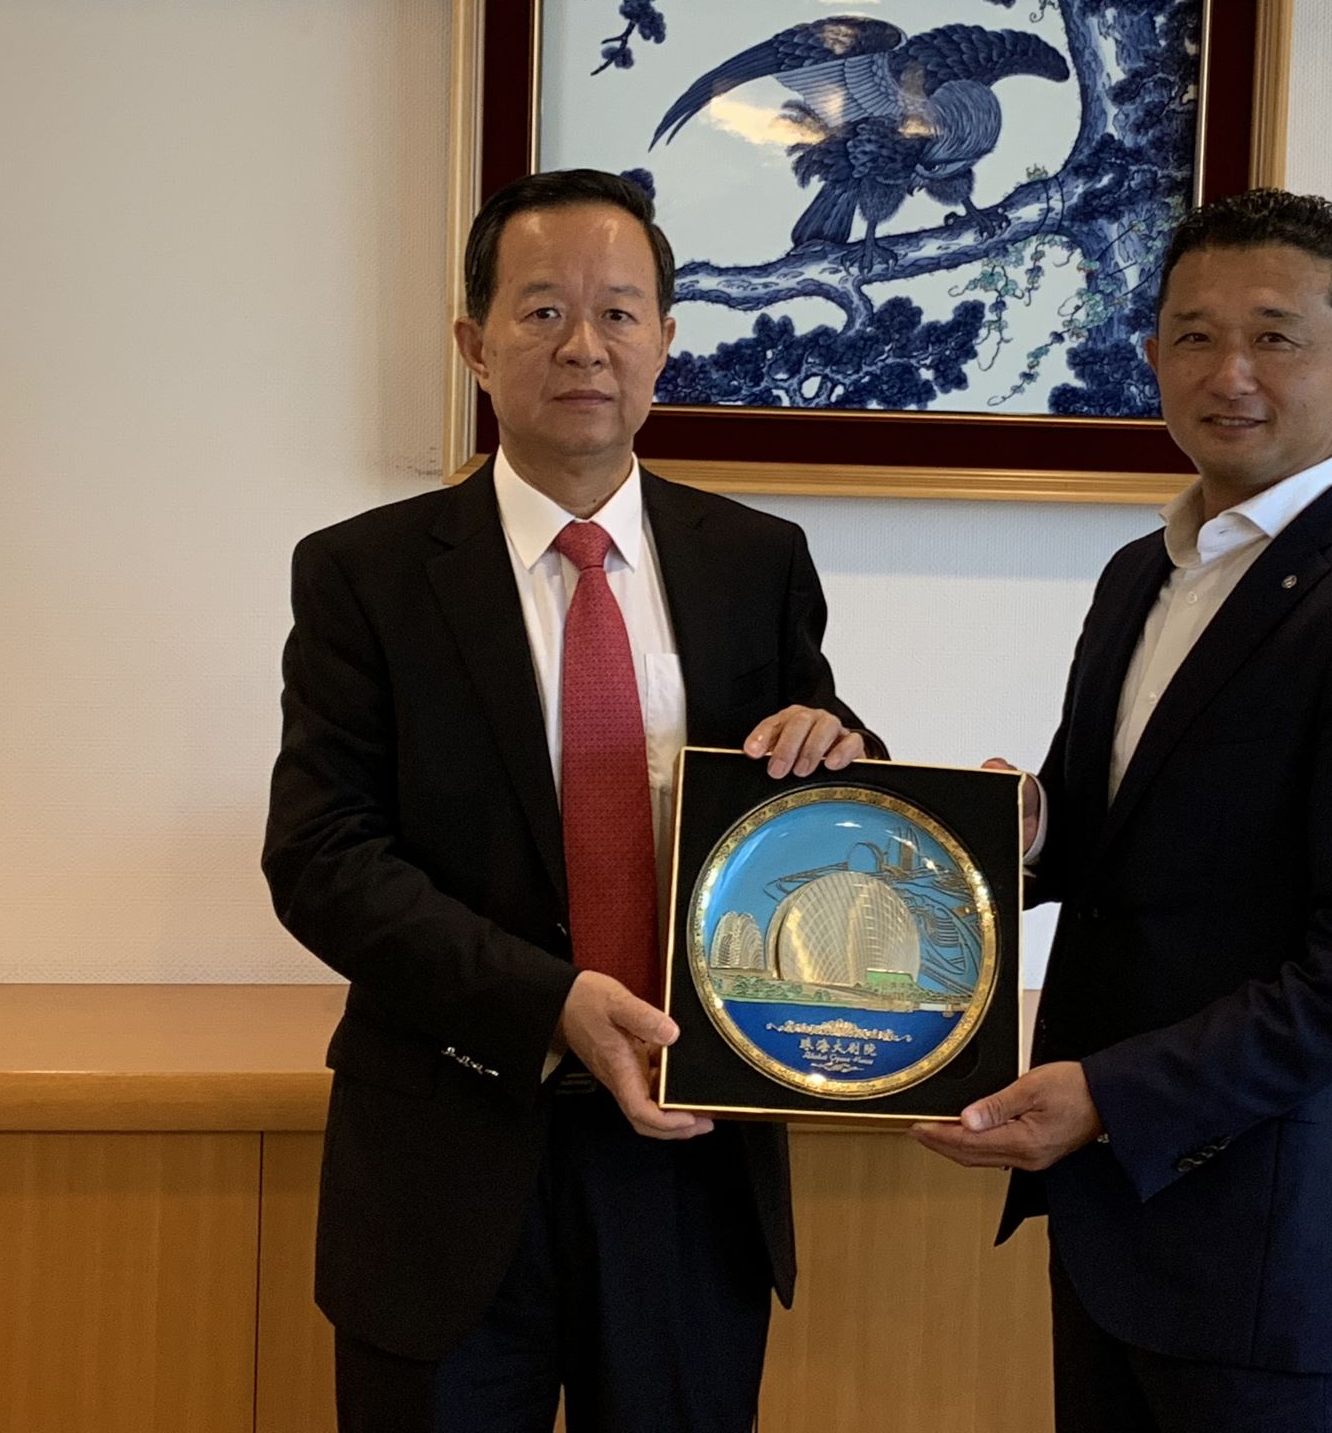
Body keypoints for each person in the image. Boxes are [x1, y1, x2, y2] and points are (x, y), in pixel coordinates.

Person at [264, 168, 881, 1432]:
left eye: (618, 311)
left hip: (690, 1152)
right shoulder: (365, 575)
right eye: (542, 310)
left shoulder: (756, 562)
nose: (584, 345)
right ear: (473, 344)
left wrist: (848, 756)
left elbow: (806, 815)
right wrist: (547, 1002)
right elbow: (322, 859)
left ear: (665, 340)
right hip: (447, 1145)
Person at [917, 189, 1332, 1432]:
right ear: (1152, 356)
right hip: (1110, 1219)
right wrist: (1027, 828)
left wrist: (1114, 1098)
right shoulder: (1142, 575)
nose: (1230, 373)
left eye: (1275, 337)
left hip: (1254, 1240)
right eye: (1193, 335)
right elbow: (1110, 830)